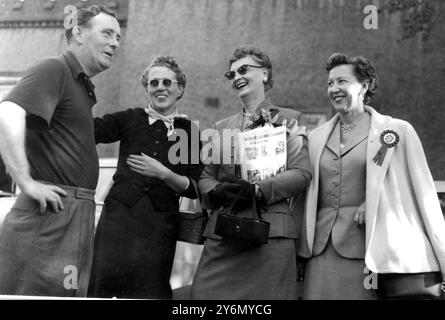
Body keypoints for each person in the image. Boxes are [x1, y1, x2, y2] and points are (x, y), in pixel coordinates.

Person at [298, 53, 445, 300]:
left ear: (364, 86)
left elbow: (424, 194)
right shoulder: (315, 137)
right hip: (322, 253)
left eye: (342, 81)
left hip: (371, 254)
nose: (334, 89)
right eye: (330, 83)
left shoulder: (396, 131)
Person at [0, 5, 121, 297]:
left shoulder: (81, 84)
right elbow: (7, 113)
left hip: (74, 212)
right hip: (52, 213)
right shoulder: (55, 67)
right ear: (78, 33)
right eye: (107, 33)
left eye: (118, 36)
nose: (116, 43)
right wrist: (26, 182)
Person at [191, 46, 311, 300]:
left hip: (270, 236)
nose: (236, 77)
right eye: (231, 74)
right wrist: (216, 190)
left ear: (265, 74)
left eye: (243, 70)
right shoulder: (221, 127)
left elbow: (301, 173)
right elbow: (205, 177)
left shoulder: (291, 119)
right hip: (224, 236)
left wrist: (258, 190)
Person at [88, 56, 203, 299]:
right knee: (105, 287)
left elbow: (194, 188)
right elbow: (90, 130)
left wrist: (163, 173)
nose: (160, 87)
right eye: (153, 83)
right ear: (147, 89)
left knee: (150, 291)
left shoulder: (188, 132)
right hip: (118, 221)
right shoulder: (130, 118)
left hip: (159, 226)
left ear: (179, 88)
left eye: (167, 82)